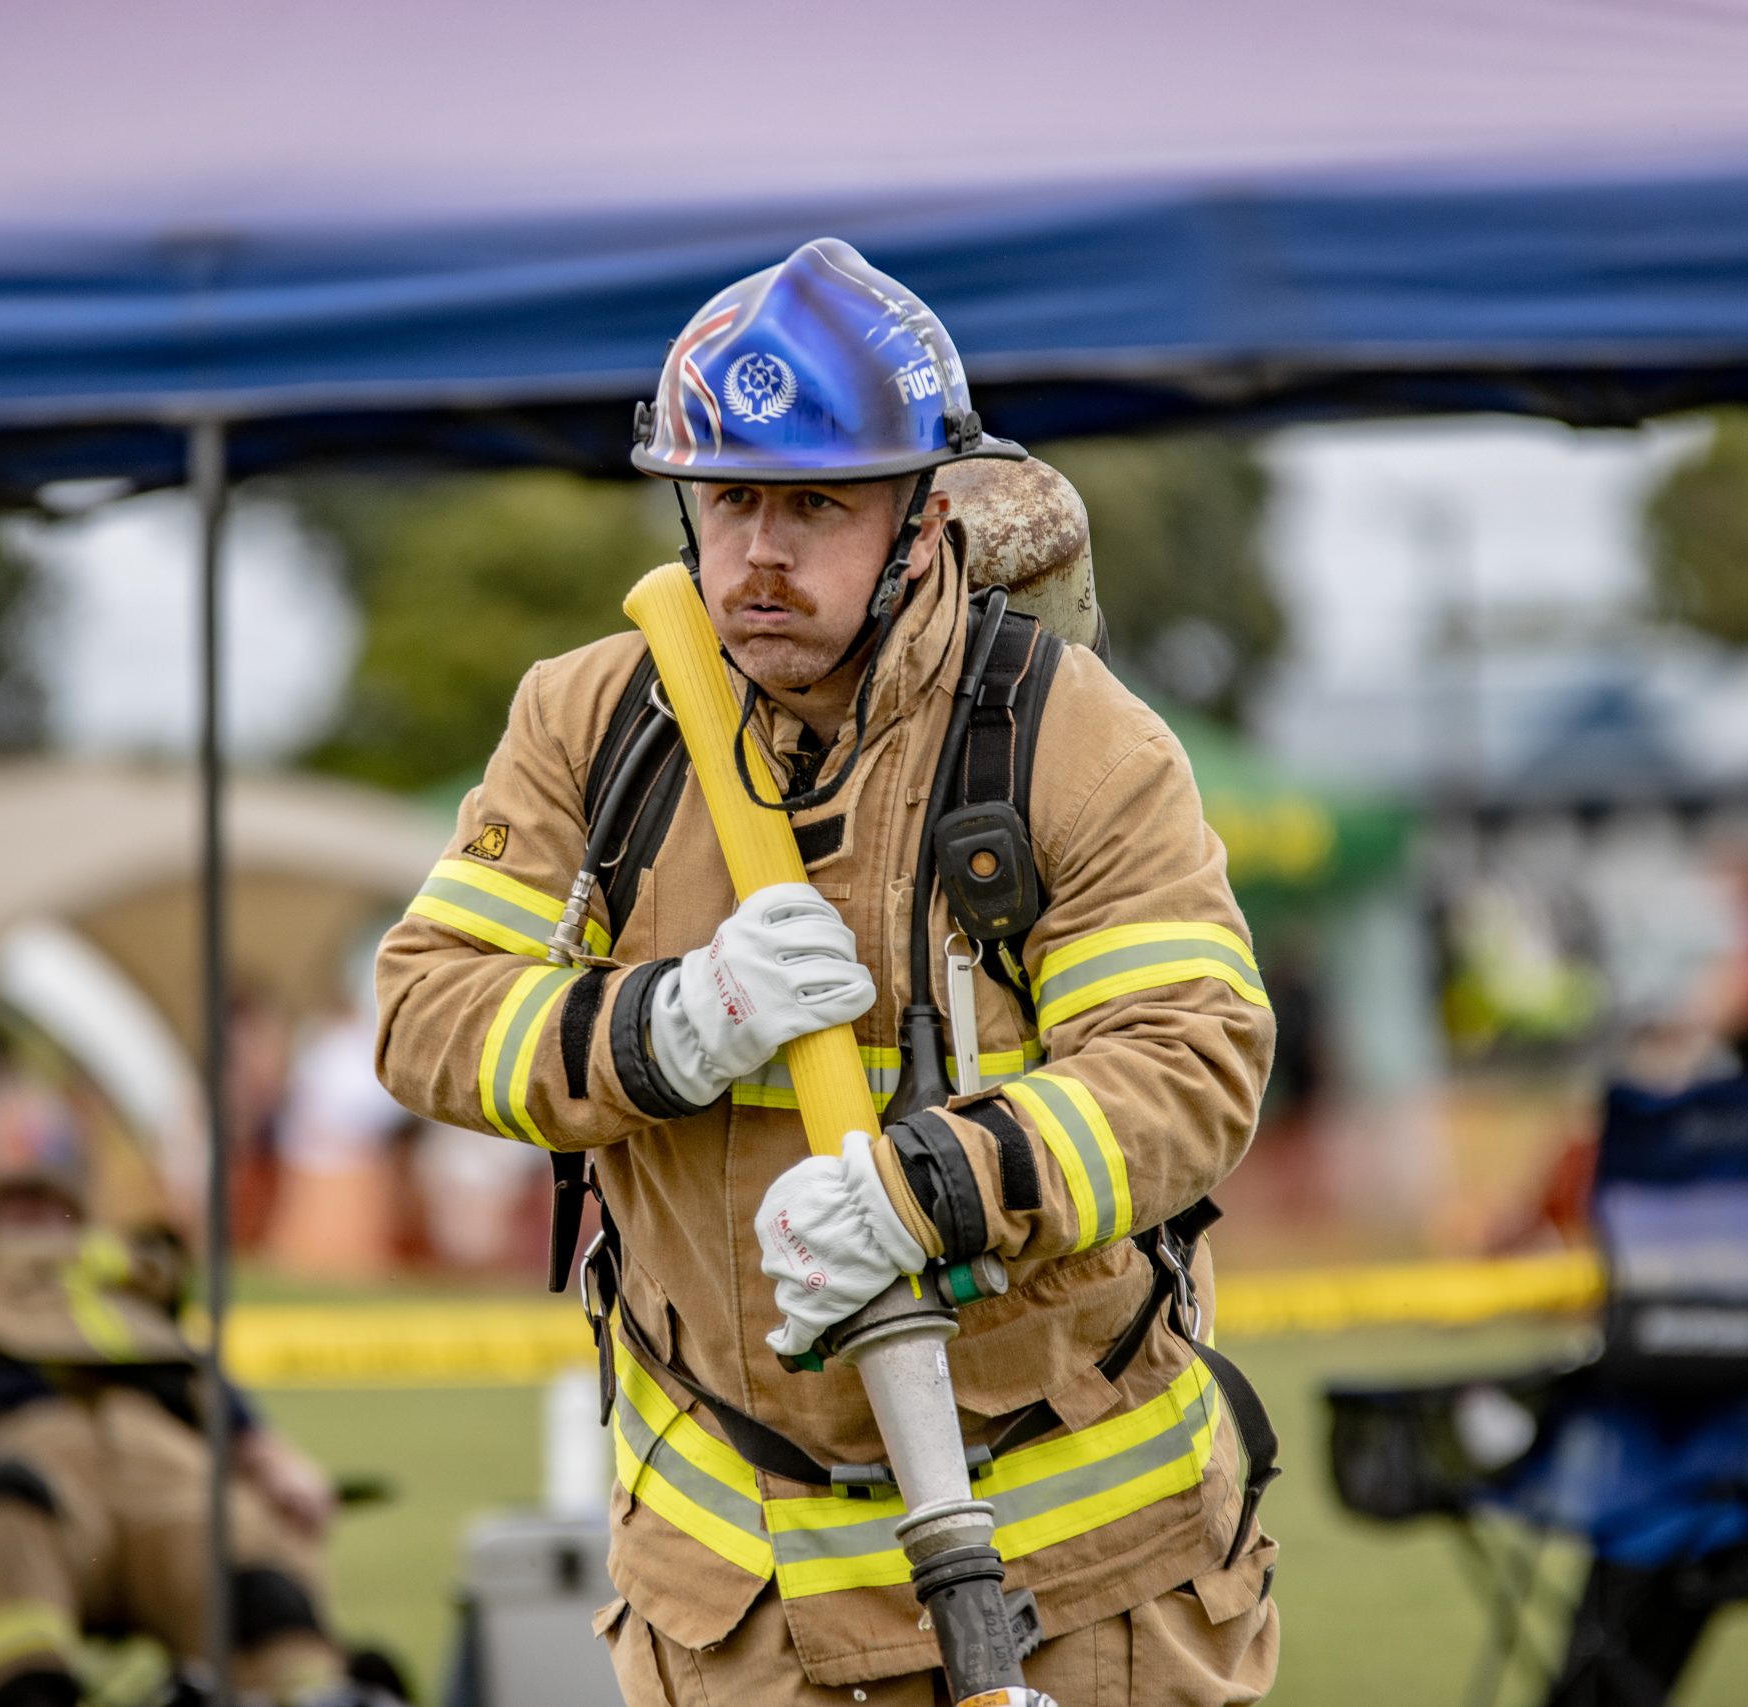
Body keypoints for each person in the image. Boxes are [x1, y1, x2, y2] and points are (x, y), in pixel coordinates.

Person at [376, 240, 1279, 1704]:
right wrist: (669, 1024)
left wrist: (932, 1189)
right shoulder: (588, 720)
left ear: (924, 517)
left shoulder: (1075, 741)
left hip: (1079, 1583)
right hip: (735, 1612)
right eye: (729, 499)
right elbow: (426, 1011)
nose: (758, 555)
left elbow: (1190, 1063)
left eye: (816, 504)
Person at [0, 1132, 362, 1707]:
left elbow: (239, 1425)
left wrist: (281, 1464)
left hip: (168, 1476)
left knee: (260, 1587)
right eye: (13, 1208)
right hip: (38, 1480)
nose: (33, 1226)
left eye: (48, 1207)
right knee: (3, 1512)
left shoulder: (133, 1306)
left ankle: (311, 1690)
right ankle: (33, 1691)